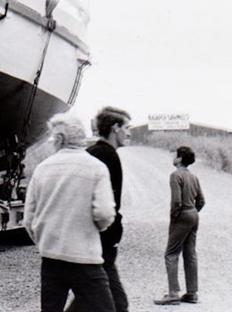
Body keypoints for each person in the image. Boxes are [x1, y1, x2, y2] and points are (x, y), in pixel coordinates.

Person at [24, 113, 116, 312]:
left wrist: (42, 241)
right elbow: (105, 213)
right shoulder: (96, 168)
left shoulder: (42, 169)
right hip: (84, 256)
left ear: (59, 139)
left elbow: (28, 218)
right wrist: (94, 230)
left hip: (50, 256)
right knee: (104, 308)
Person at [66, 107, 131, 312]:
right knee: (111, 303)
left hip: (88, 241)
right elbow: (106, 207)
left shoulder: (92, 152)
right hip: (98, 245)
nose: (129, 133)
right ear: (115, 128)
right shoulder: (108, 156)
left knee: (99, 300)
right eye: (127, 127)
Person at [154, 146, 206, 305]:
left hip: (182, 215)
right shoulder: (194, 177)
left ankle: (173, 293)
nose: (172, 157)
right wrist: (192, 212)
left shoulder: (175, 175)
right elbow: (201, 200)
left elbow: (176, 201)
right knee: (190, 254)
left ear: (180, 158)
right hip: (193, 215)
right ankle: (192, 293)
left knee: (171, 253)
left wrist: (175, 216)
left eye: (175, 155)